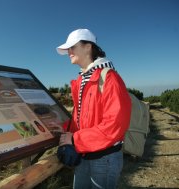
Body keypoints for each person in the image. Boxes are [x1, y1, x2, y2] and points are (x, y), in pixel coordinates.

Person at [56, 28, 132, 189]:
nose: (69, 51)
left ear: (88, 46)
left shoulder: (109, 78)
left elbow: (115, 125)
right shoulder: (83, 79)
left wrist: (75, 139)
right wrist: (59, 127)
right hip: (84, 153)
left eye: (72, 46)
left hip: (104, 158)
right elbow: (82, 118)